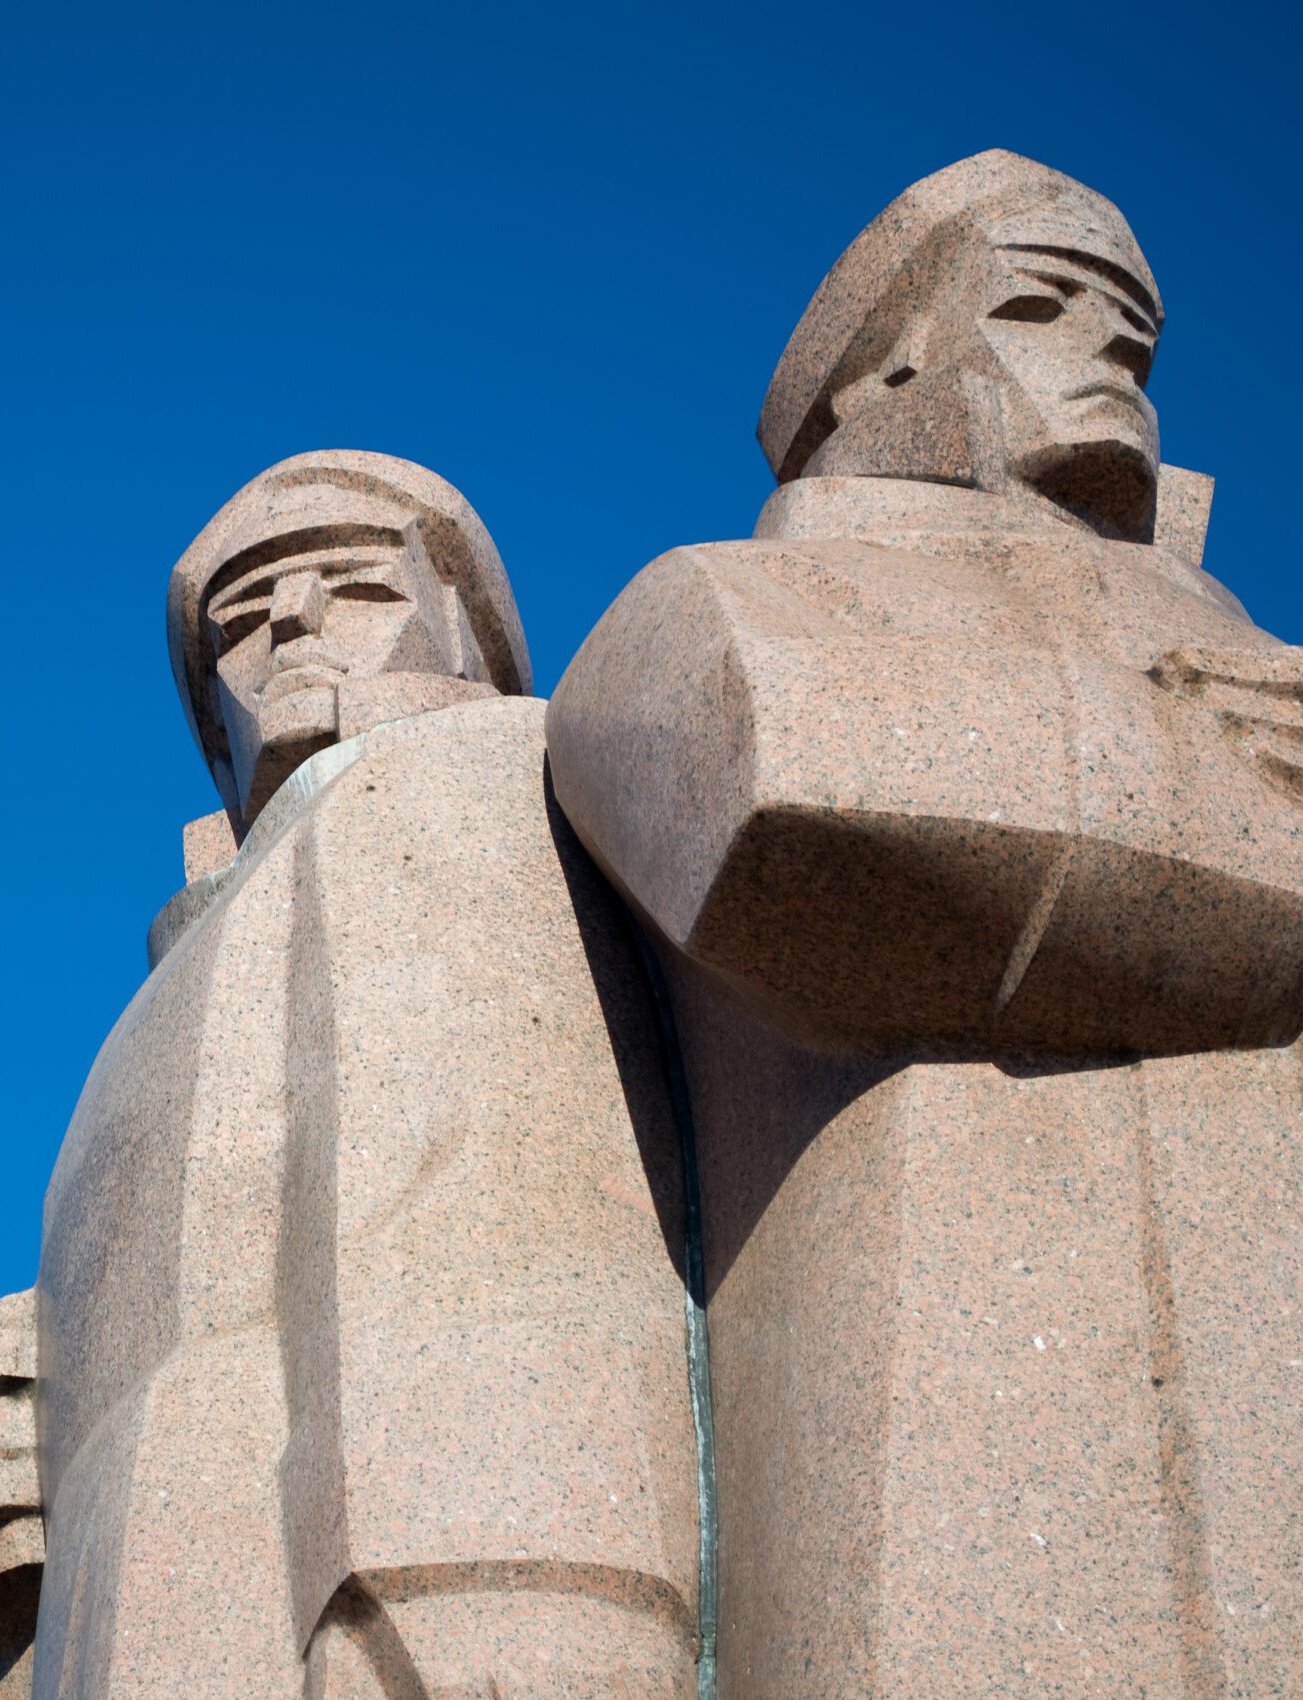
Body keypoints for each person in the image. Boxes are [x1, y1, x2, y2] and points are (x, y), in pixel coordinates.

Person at [548, 150, 1303, 1697]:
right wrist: (1229, 786)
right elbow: (797, 817)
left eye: (1135, 338)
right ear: (879, 372)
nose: (1111, 359)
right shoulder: (707, 610)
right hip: (965, 1438)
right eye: (1042, 305)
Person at [0, 451, 703, 1699]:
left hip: (503, 1538)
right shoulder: (136, 1030)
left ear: (470, 635)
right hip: (169, 1605)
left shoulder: (552, 787)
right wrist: (8, 1518)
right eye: (242, 620)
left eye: (357, 584)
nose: (295, 625)